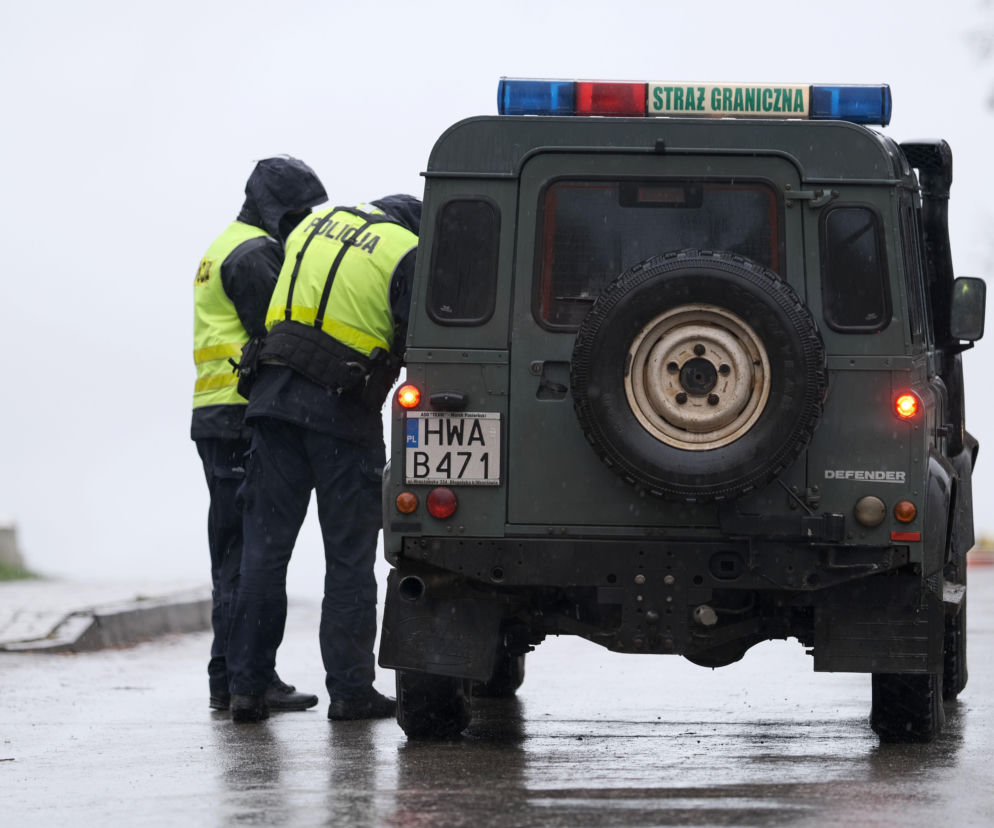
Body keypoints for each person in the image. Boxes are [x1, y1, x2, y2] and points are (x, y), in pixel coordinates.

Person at [225, 194, 421, 723]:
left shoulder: (316, 226)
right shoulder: (406, 250)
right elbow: (419, 340)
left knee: (263, 554)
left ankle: (247, 688)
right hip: (342, 416)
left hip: (271, 403)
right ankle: (351, 692)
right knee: (349, 559)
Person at [191, 156, 328, 713]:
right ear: (277, 211)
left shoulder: (224, 245)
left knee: (233, 553)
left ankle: (227, 677)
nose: (304, 223)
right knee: (251, 557)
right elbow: (281, 333)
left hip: (216, 416)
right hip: (241, 415)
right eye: (299, 213)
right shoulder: (254, 256)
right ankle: (248, 677)